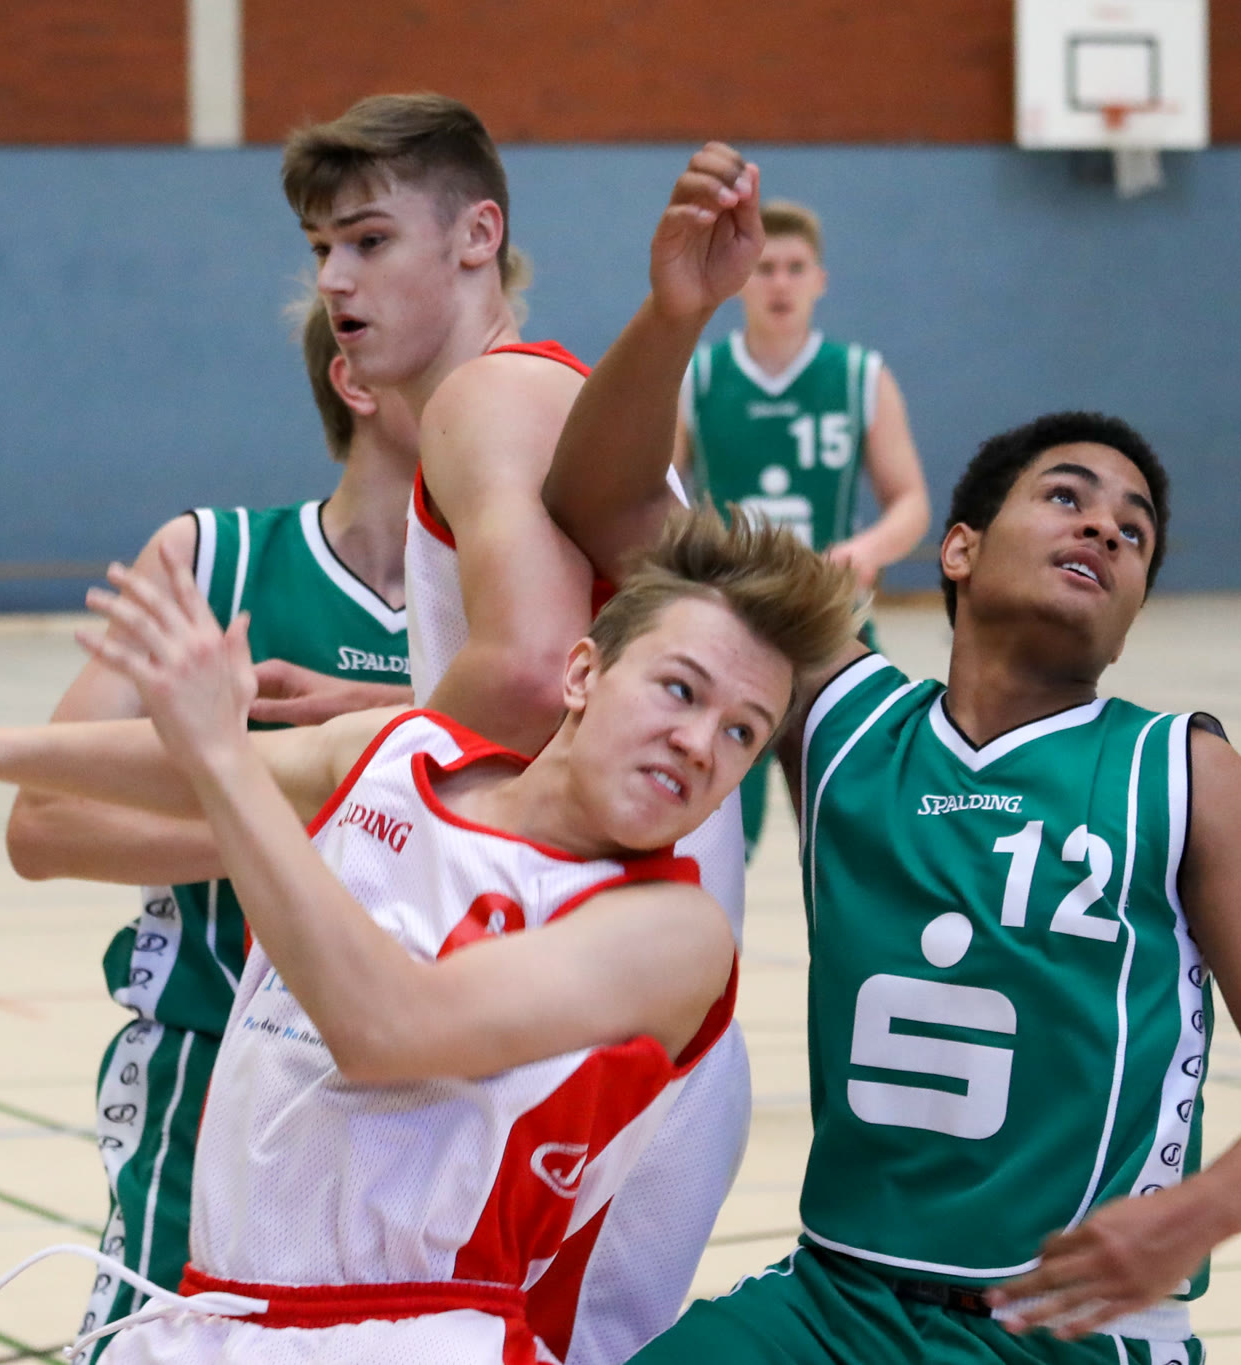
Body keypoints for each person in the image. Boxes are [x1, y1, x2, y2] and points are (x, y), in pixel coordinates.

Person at [0, 504, 860, 1365]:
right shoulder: (395, 754)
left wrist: (219, 754)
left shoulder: (668, 933)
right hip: (216, 1309)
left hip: (420, 1334)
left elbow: (385, 1028)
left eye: (741, 732)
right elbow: (192, 768)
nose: (699, 743)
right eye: (679, 689)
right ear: (583, 674)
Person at [545, 276, 1241, 1363]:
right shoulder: (843, 718)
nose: (1105, 527)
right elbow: (602, 502)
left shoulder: (1183, 775)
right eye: (1067, 497)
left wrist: (1194, 1215)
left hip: (1067, 1335)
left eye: (1134, 533)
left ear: (1133, 607)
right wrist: (678, 311)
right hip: (833, 1304)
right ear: (960, 550)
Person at [270, 94, 766, 1364]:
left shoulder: (488, 395)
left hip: (595, 1022)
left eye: (369, 240)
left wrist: (335, 781)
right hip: (613, 1002)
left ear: (477, 236)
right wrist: (388, 712)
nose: (334, 281)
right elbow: (558, 674)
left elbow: (540, 674)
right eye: (321, 249)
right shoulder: (531, 399)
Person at [2, 297, 416, 1344]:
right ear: (358, 381)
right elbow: (42, 823)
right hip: (214, 1067)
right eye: (472, 363)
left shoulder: (511, 614)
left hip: (420, 1094)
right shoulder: (210, 559)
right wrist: (289, 820)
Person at [671, 200, 930, 857]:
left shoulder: (861, 376)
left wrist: (868, 548)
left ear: (820, 280)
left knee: (858, 827)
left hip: (829, 621)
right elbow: (658, 494)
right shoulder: (699, 376)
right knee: (715, 830)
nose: (780, 283)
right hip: (731, 622)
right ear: (741, 281)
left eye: (795, 268)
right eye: (765, 269)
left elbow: (910, 502)